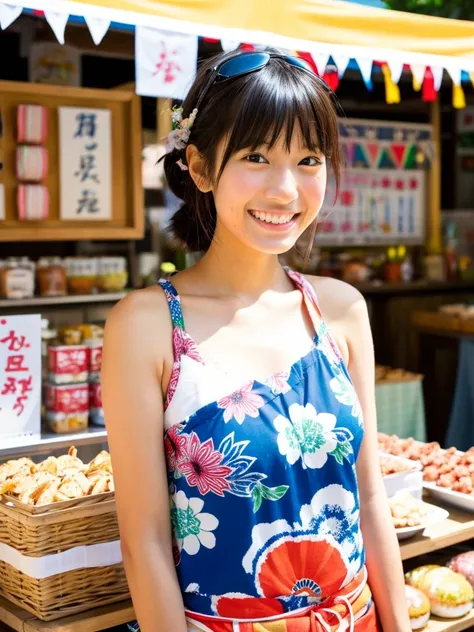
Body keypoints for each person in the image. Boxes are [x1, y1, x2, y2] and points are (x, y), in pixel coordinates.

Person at [101, 48, 409, 632]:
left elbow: (371, 502)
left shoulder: (340, 310)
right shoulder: (145, 327)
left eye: (309, 159)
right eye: (257, 156)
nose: (286, 190)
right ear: (199, 167)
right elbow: (144, 544)